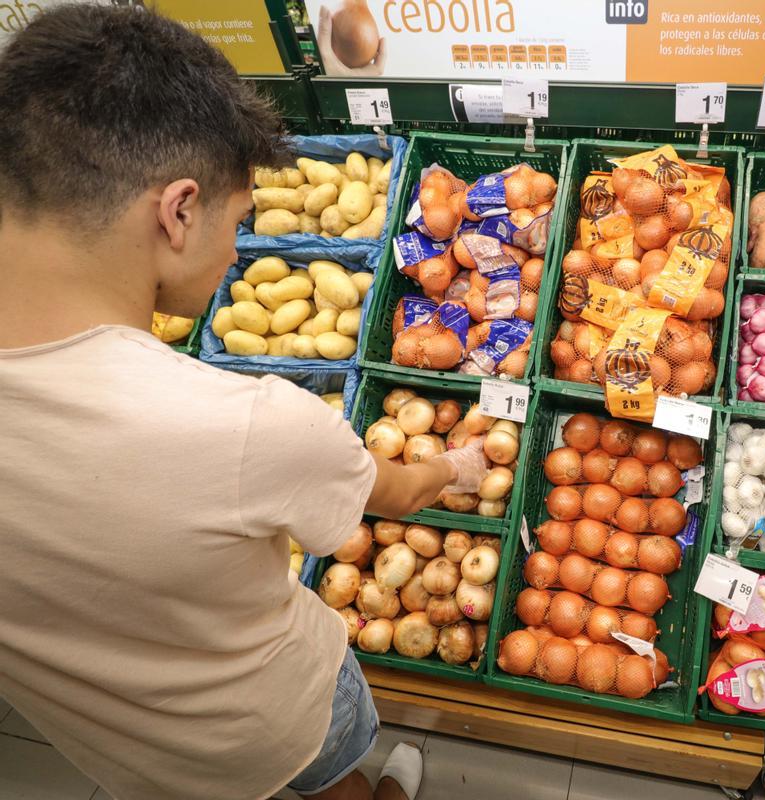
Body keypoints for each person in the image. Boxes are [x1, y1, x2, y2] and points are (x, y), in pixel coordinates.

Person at [0, 7, 484, 800]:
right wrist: (455, 468)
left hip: (102, 742)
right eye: (240, 217)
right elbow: (387, 490)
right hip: (261, 721)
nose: (238, 248)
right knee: (336, 783)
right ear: (179, 209)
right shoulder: (244, 422)